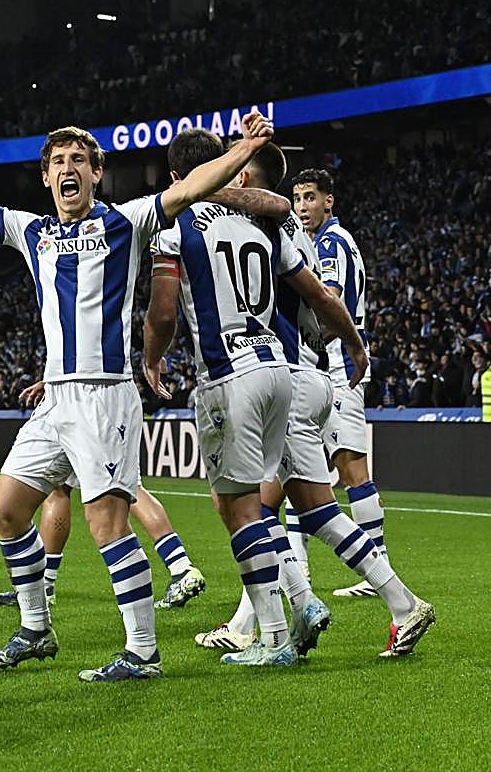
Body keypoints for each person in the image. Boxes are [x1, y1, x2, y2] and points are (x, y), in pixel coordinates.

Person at [0, 111, 274, 683]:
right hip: (55, 401)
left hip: (105, 397)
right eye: (58, 162)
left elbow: (190, 186)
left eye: (79, 162)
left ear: (97, 174)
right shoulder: (31, 233)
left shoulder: (127, 223)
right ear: (45, 178)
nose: (68, 169)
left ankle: (142, 653)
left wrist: (245, 149)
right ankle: (36, 630)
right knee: (7, 511)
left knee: (108, 525)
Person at [188, 143, 435, 659]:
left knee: (246, 506)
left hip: (284, 377)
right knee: (311, 509)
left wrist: (354, 346)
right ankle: (394, 602)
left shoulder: (253, 226)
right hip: (310, 379)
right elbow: (323, 297)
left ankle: (277, 617)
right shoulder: (286, 228)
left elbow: (323, 293)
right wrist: (356, 345)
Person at [143, 129, 320, 667]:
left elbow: (165, 312)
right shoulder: (256, 217)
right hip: (278, 366)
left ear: (177, 178)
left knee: (240, 509)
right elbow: (282, 212)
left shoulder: (175, 220)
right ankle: (301, 600)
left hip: (228, 374)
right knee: (249, 501)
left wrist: (151, 357)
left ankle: (273, 635)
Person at [0, 381, 206, 609]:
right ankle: (179, 564)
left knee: (79, 491)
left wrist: (57, 379)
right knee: (95, 487)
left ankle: (179, 569)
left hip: (87, 398)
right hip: (105, 396)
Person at [290, 168, 387, 598]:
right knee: (299, 466)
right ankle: (302, 569)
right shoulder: (315, 243)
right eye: (297, 199)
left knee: (349, 468)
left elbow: (330, 300)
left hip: (338, 367)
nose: (303, 206)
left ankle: (377, 568)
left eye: (311, 197)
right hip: (328, 366)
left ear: (329, 201)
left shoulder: (331, 242)